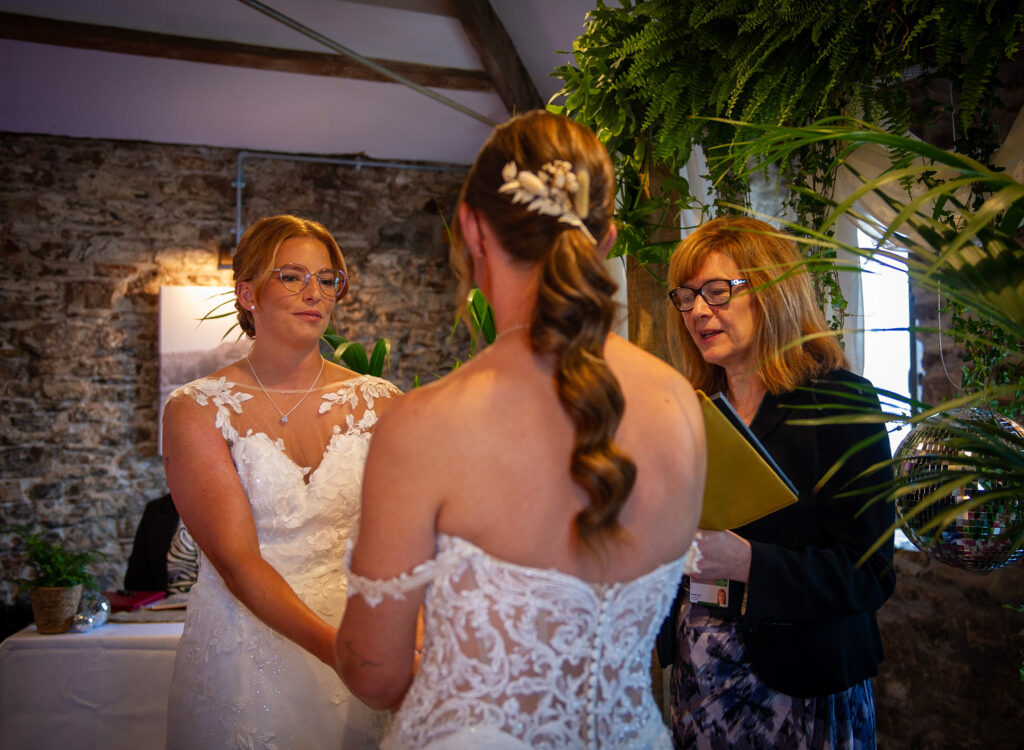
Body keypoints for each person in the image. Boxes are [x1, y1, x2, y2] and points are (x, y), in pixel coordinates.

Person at [333, 110, 706, 749]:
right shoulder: (681, 405)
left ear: (473, 229)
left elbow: (375, 673)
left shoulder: (424, 423)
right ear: (607, 239)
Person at [161, 214, 399, 749]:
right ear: (248, 294)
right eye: (291, 276)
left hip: (363, 639)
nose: (314, 293)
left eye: (327, 279)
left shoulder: (380, 402)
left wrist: (402, 644)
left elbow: (406, 542)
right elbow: (238, 561)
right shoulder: (196, 409)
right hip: (245, 658)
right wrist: (339, 652)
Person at [659, 215, 896, 749]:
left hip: (801, 685)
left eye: (717, 291)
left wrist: (747, 562)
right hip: (699, 677)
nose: (698, 311)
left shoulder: (840, 402)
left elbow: (871, 574)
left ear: (772, 291)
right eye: (686, 297)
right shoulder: (692, 409)